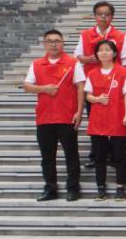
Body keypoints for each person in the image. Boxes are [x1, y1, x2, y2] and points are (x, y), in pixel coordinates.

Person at [23, 29, 85, 202]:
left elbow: (81, 87)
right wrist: (44, 89)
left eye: (57, 41)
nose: (53, 44)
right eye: (50, 41)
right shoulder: (37, 64)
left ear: (63, 43)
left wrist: (79, 111)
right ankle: (50, 188)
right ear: (44, 44)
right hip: (44, 118)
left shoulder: (72, 62)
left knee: (71, 154)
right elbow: (27, 86)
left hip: (66, 116)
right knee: (47, 157)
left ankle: (73, 188)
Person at [80, 39, 126, 201]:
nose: (104, 53)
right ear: (96, 54)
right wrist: (96, 99)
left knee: (119, 156)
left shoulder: (122, 72)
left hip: (117, 118)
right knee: (100, 157)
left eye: (107, 50)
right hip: (98, 120)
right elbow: (88, 95)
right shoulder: (92, 73)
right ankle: (100, 188)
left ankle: (120, 187)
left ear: (114, 53)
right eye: (100, 50)